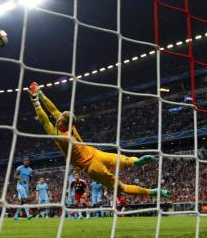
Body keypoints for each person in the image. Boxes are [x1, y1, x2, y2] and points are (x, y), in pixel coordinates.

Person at [28, 82, 170, 198]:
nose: (57, 116)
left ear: (61, 122)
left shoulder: (61, 137)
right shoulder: (70, 126)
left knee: (122, 188)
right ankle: (136, 161)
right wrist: (41, 94)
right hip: (97, 153)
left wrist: (35, 100)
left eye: (59, 118)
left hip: (92, 167)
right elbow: (53, 111)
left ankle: (152, 192)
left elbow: (44, 120)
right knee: (126, 160)